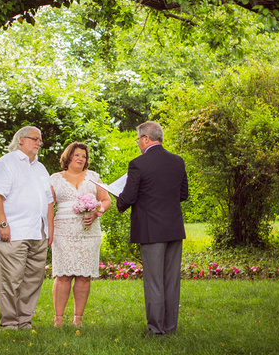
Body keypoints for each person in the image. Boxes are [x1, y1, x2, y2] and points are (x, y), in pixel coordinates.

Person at [116, 121, 189, 336]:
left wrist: (119, 200)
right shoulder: (178, 161)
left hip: (151, 230)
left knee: (154, 281)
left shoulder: (138, 164)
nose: (138, 143)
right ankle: (170, 326)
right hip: (174, 228)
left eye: (138, 139)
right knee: (171, 280)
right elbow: (183, 195)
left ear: (146, 138)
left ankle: (156, 329)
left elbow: (128, 197)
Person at [0, 126, 55, 330]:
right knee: (11, 279)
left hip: (37, 232)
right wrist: (3, 224)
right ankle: (9, 322)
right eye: (34, 139)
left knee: (33, 279)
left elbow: (49, 201)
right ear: (21, 140)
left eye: (40, 140)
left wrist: (49, 229)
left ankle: (24, 320)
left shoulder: (41, 168)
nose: (38, 143)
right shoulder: (6, 163)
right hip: (13, 231)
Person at [49, 142, 112, 326]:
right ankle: (58, 319)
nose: (80, 158)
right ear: (68, 157)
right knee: (63, 275)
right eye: (77, 155)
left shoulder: (93, 177)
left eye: (83, 156)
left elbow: (106, 200)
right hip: (63, 231)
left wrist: (96, 213)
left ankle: (78, 319)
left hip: (89, 232)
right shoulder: (55, 178)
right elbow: (48, 206)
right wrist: (49, 230)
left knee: (84, 275)